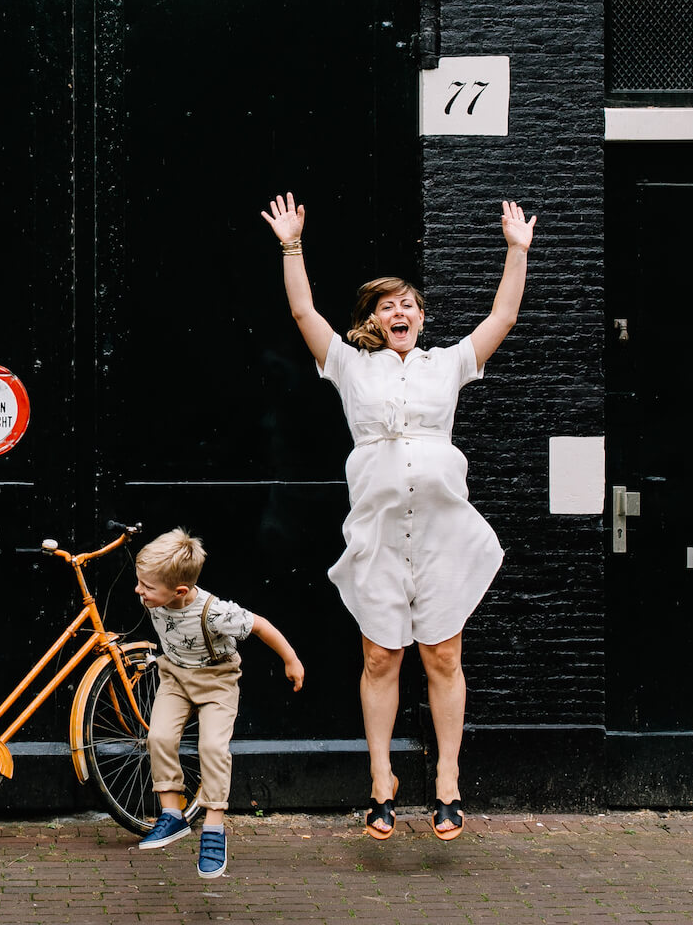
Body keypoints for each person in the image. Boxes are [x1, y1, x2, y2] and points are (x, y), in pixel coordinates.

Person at [259, 192, 533, 842]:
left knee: (442, 653)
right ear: (374, 322)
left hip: (442, 533)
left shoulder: (448, 366)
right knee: (381, 656)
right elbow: (302, 309)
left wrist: (516, 252)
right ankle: (381, 781)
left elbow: (503, 315)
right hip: (379, 533)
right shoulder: (351, 367)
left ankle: (447, 780)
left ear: (421, 317)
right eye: (388, 305)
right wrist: (292, 245)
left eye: (408, 303)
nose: (399, 310)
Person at [133, 527, 305, 878]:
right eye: (140, 583)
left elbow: (260, 626)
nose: (139, 591)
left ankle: (213, 827)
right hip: (176, 677)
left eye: (148, 587)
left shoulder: (216, 613)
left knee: (212, 747)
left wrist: (291, 659)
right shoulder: (152, 595)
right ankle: (172, 815)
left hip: (217, 682)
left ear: (179, 591)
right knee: (159, 738)